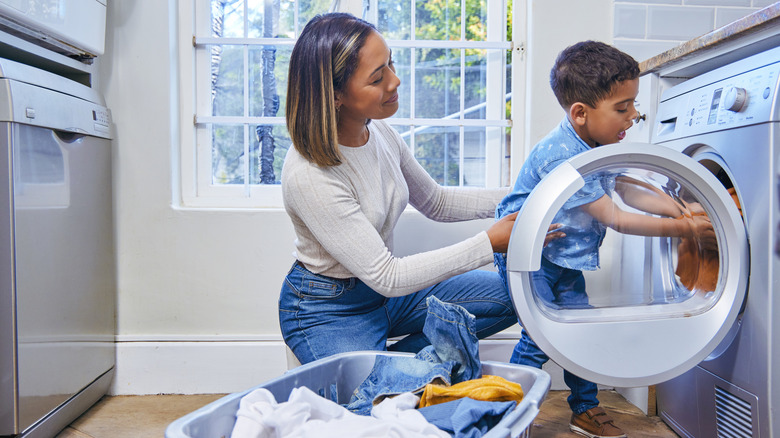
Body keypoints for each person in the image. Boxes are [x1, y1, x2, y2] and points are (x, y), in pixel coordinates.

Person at [279, 12, 563, 366]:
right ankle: (396, 371)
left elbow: (437, 201)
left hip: (387, 297)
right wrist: (489, 244)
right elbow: (388, 274)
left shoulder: (379, 133)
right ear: (336, 95)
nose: (395, 81)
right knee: (369, 409)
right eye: (378, 77)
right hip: (328, 308)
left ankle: (399, 367)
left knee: (519, 297)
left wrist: (530, 193)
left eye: (391, 65)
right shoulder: (310, 175)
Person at [493, 41, 714, 438]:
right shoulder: (562, 155)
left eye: (633, 104)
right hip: (527, 256)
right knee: (539, 335)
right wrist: (685, 229)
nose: (633, 115)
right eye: (622, 107)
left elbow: (628, 191)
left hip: (565, 257)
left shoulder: (599, 143)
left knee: (581, 328)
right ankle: (508, 413)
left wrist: (677, 208)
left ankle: (585, 410)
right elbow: (616, 217)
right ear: (580, 113)